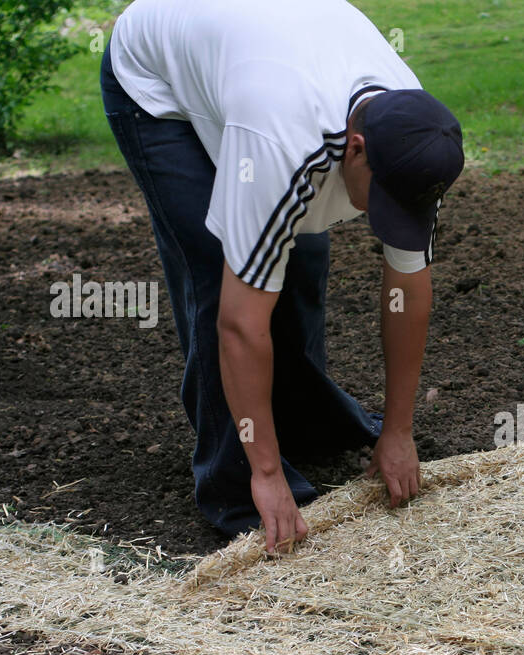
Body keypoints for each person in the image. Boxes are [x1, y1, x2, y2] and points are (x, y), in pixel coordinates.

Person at [99, 0, 463, 553]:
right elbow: (240, 325)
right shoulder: (282, 145)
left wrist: (399, 430)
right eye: (382, 202)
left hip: (256, 64)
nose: (381, 220)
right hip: (156, 85)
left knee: (303, 257)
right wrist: (265, 472)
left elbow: (406, 292)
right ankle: (238, 478)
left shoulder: (417, 141)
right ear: (357, 150)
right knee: (215, 266)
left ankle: (306, 420)